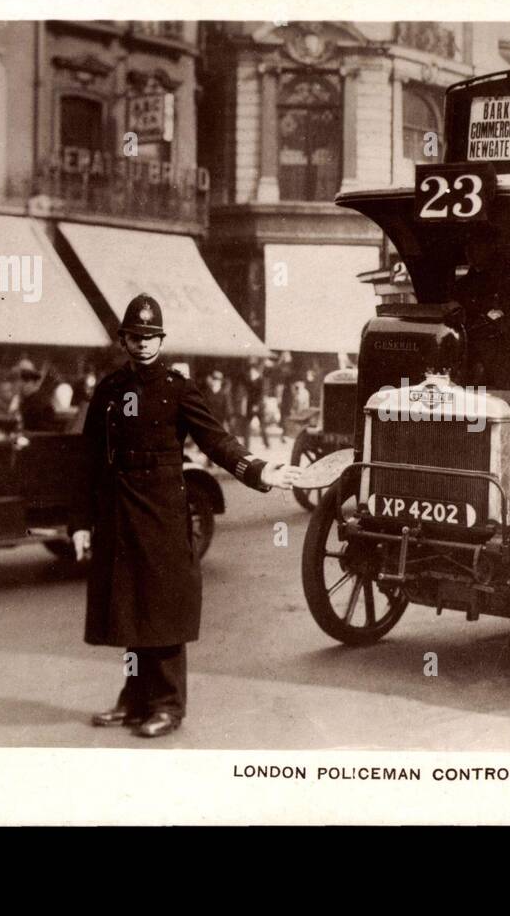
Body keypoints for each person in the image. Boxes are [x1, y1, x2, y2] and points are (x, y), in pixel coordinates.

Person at [70, 294, 300, 738]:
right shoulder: (109, 390)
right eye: (135, 337)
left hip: (162, 512)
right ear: (123, 340)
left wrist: (258, 469)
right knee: (128, 605)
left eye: (151, 336)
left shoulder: (178, 388)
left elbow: (216, 441)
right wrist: (80, 521)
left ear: (161, 339)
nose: (143, 344)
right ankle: (133, 698)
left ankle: (168, 705)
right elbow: (89, 460)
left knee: (162, 605)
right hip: (119, 509)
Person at [11, 358, 60, 432]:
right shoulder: (25, 400)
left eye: (21, 382)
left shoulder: (40, 404)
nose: (18, 385)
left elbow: (43, 431)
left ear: (30, 383)